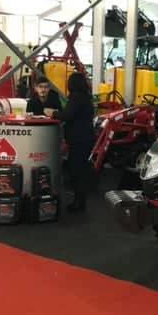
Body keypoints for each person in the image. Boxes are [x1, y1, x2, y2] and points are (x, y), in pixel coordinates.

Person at [44, 72, 96, 213]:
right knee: (79, 170)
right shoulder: (85, 97)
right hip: (85, 138)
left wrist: (52, 113)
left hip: (79, 140)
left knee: (76, 171)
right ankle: (80, 201)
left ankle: (79, 203)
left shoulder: (76, 98)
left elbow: (67, 115)